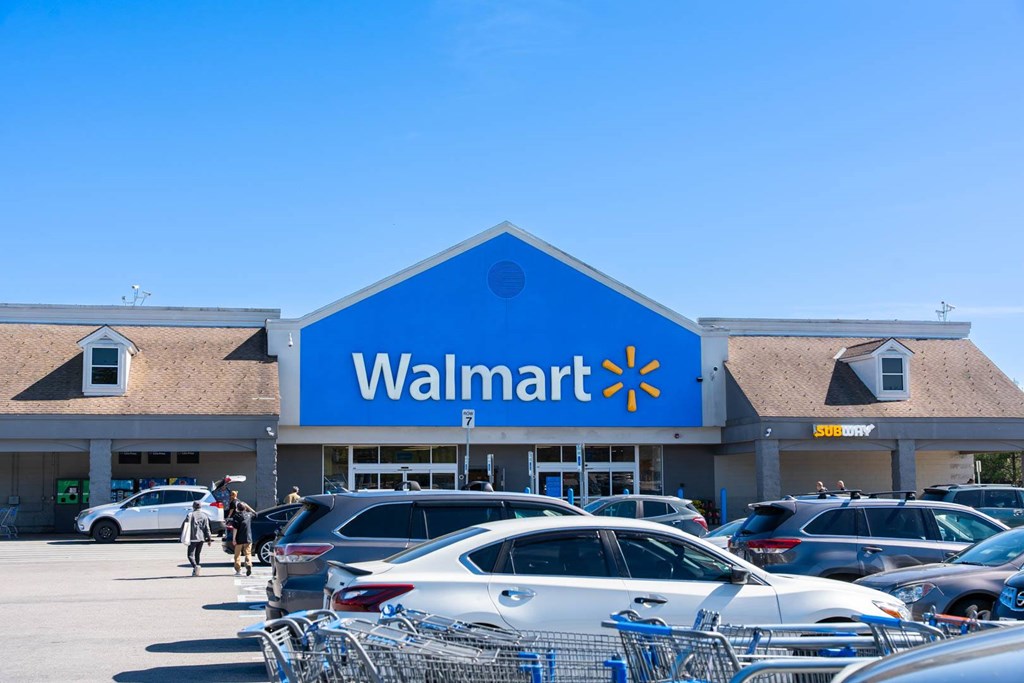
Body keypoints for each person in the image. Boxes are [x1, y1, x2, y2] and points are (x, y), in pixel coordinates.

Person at [180, 501, 212, 576]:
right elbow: (207, 528)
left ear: (193, 507)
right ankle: (196, 571)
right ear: (201, 507)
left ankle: (195, 566)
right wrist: (209, 539)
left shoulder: (190, 515)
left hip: (193, 537)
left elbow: (184, 525)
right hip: (201, 538)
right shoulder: (205, 516)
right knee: (197, 554)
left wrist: (182, 533)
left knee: (190, 555)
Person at [230, 501, 255, 577]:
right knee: (248, 553)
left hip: (239, 538)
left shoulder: (236, 516)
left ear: (237, 508)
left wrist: (234, 539)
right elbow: (255, 513)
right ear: (245, 508)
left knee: (237, 554)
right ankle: (248, 564)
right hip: (248, 537)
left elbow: (235, 528)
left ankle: (238, 570)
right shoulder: (249, 514)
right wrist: (248, 506)